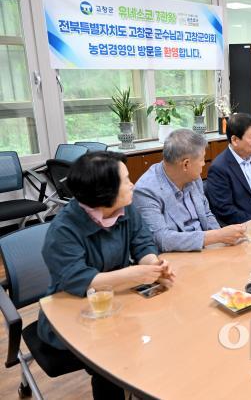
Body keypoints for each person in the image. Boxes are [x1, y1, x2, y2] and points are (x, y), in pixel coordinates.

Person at [37, 151, 175, 399]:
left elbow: (142, 244)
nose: (133, 184)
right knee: (110, 361)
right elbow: (78, 279)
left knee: (164, 330)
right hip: (72, 315)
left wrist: (155, 266)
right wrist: (135, 274)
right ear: (104, 192)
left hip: (119, 303)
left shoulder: (126, 208)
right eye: (126, 180)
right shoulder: (64, 230)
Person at [133, 129, 245, 252]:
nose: (203, 164)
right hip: (175, 258)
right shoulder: (146, 191)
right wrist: (216, 236)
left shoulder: (193, 178)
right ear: (186, 164)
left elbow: (207, 215)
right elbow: (161, 239)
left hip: (206, 250)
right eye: (202, 159)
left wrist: (224, 239)